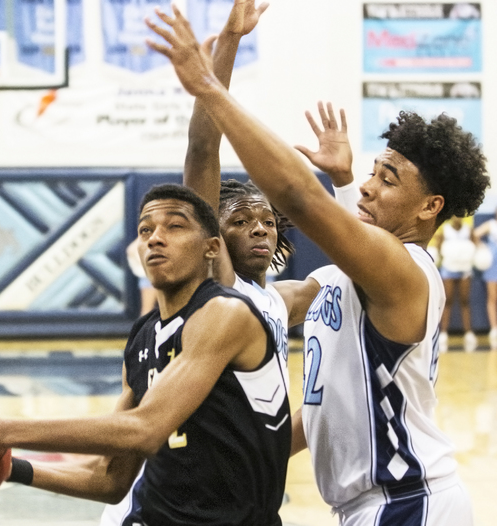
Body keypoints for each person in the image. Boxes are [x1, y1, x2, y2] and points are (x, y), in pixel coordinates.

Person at [145, 6, 489, 525]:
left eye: (388, 179)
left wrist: (210, 89)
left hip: (410, 502)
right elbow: (325, 410)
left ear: (430, 207)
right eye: (372, 173)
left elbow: (302, 201)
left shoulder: (407, 273)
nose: (369, 185)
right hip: (369, 507)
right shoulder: (329, 283)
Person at [0, 184, 292, 526]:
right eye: (146, 230)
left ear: (212, 248)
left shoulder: (226, 313)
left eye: (174, 227)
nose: (156, 238)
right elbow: (110, 481)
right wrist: (8, 468)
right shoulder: (143, 337)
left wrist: (2, 432)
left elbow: (145, 430)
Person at [431, 216, 478, 352]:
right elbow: (437, 248)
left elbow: (476, 244)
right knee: (448, 301)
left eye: (460, 215)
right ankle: (443, 333)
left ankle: (468, 333)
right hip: (448, 270)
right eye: (455, 215)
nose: (457, 218)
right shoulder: (444, 231)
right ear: (451, 217)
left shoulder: (468, 230)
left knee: (465, 301)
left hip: (465, 270)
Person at [473, 209, 497, 349]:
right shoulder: (491, 225)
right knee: (492, 297)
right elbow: (474, 234)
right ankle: (494, 329)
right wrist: (482, 246)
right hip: (493, 265)